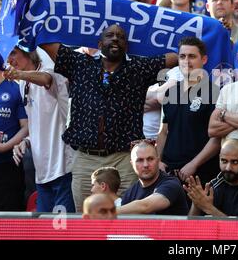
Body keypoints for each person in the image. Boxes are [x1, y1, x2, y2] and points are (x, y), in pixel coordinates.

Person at [39, 24, 178, 212]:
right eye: (110, 35)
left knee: (127, 218)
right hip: (86, 159)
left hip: (124, 160)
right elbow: (47, 44)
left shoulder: (138, 68)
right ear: (99, 43)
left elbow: (178, 56)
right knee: (87, 219)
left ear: (126, 46)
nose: (115, 39)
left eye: (120, 37)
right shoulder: (80, 63)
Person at [4, 47, 75, 213]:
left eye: (13, 53)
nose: (10, 60)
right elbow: (38, 123)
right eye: (7, 56)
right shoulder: (22, 83)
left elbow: (46, 78)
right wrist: (26, 142)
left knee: (63, 232)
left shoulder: (49, 69)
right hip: (41, 171)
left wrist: (18, 74)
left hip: (63, 168)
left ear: (27, 51)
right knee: (45, 231)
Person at [157, 37, 221, 184]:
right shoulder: (170, 91)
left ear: (204, 59)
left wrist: (194, 164)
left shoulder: (215, 93)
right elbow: (163, 131)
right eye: (182, 56)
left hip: (199, 172)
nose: (186, 61)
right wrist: (158, 161)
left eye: (192, 56)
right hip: (168, 171)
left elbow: (217, 138)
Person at [185, 138, 238, 217]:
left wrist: (210, 209)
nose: (228, 168)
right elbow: (191, 227)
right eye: (224, 161)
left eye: (234, 162)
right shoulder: (215, 186)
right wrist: (197, 203)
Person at [0, 63, 28, 211]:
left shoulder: (15, 88)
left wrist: (5, 146)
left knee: (7, 220)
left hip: (7, 167)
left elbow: (26, 127)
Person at [118, 139, 189, 215]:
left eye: (150, 159)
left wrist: (108, 212)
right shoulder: (129, 193)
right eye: (140, 160)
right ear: (132, 164)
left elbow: (146, 206)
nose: (145, 165)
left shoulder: (171, 184)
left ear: (158, 161)